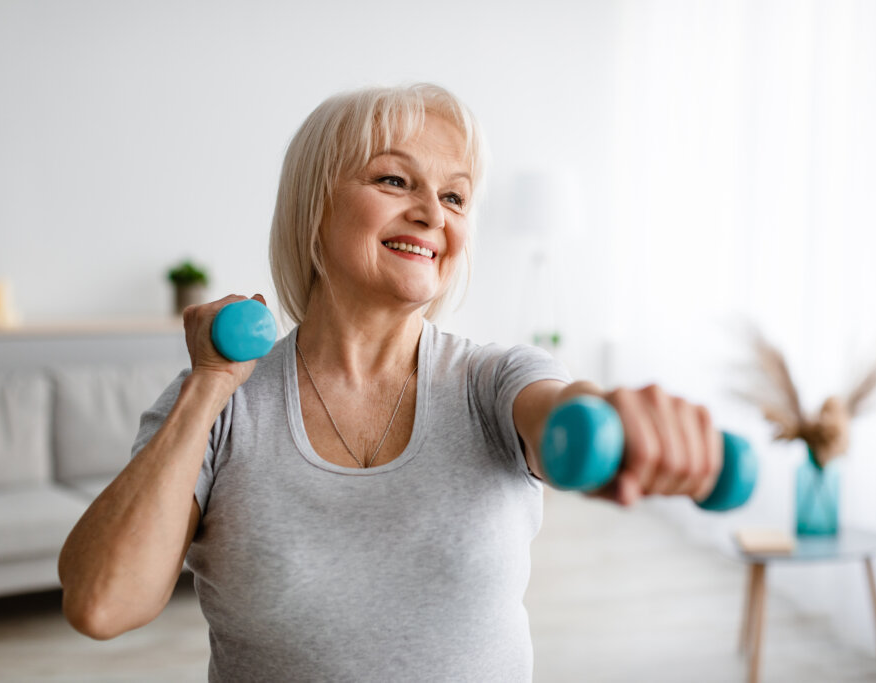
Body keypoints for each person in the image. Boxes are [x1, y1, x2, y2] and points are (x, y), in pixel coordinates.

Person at [58, 83, 723, 682]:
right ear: (315, 206)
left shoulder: (492, 380)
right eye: (396, 181)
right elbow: (102, 601)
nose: (433, 212)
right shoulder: (221, 406)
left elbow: (559, 415)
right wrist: (207, 383)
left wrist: (618, 419)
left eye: (455, 195)